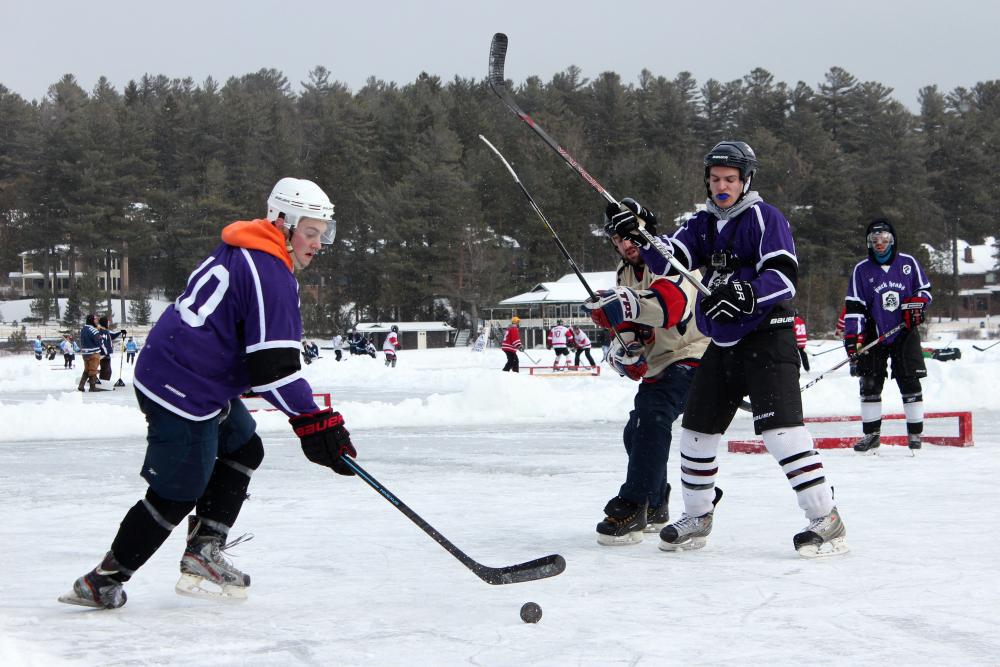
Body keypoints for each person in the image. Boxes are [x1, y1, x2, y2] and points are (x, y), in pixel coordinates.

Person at [59, 177, 357, 610]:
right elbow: (273, 370)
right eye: (311, 232)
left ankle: (204, 550)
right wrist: (314, 422)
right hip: (179, 388)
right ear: (281, 222)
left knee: (244, 447)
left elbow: (254, 357)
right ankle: (102, 581)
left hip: (187, 377)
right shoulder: (269, 271)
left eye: (324, 234)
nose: (319, 243)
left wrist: (308, 418)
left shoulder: (250, 247)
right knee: (178, 491)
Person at [607, 140, 847, 558]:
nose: (722, 186)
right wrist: (639, 236)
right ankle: (697, 517)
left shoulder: (762, 216)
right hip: (722, 342)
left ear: (745, 180)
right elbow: (668, 261)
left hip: (768, 336)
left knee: (782, 434)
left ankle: (826, 519)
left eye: (730, 179)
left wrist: (746, 293)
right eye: (716, 179)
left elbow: (785, 276)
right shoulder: (701, 223)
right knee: (697, 434)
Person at [582, 207, 708, 546]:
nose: (625, 244)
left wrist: (621, 306)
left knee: (652, 417)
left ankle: (634, 504)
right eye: (618, 239)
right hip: (659, 362)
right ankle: (655, 502)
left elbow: (670, 307)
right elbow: (631, 322)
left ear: (647, 230)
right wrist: (626, 344)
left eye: (631, 233)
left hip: (692, 355)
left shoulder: (673, 258)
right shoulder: (624, 272)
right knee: (635, 431)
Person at [844, 219, 932, 455]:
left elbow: (924, 290)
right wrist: (852, 338)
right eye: (875, 240)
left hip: (904, 330)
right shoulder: (861, 270)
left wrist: (916, 306)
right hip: (875, 332)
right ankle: (871, 435)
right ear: (869, 243)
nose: (880, 244)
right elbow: (854, 306)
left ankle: (915, 434)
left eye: (884, 239)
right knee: (869, 382)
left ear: (892, 240)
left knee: (910, 380)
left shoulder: (908, 263)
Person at [77, 314, 107, 392]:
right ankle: (92, 387)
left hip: (85, 353)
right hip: (93, 353)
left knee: (87, 370)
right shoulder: (93, 330)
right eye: (95, 319)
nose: (97, 321)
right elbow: (99, 341)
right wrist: (102, 338)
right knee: (93, 370)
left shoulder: (83, 329)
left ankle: (81, 385)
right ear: (91, 320)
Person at [98, 315, 126, 383]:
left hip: (106, 353)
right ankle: (103, 382)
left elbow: (113, 335)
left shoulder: (106, 331)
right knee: (106, 369)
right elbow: (101, 343)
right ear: (104, 323)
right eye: (107, 322)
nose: (108, 324)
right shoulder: (100, 331)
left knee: (106, 369)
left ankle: (103, 381)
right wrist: (105, 352)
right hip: (103, 354)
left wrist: (121, 332)